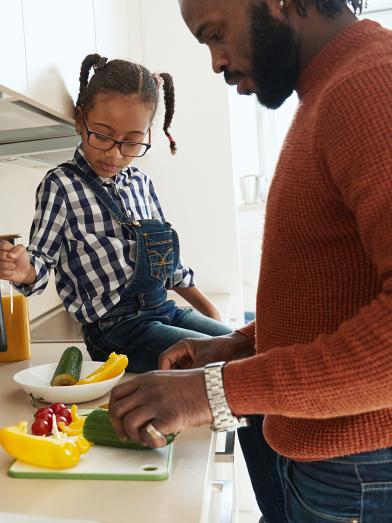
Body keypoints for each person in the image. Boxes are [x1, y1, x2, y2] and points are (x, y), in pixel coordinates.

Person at [108, 0, 392, 522]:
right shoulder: (330, 91)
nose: (216, 62)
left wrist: (212, 392)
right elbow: (337, 291)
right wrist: (242, 344)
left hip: (360, 470)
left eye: (216, 33)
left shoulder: (370, 85)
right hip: (328, 459)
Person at [0, 53, 232, 373]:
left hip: (164, 310)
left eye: (132, 142)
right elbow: (40, 262)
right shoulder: (62, 185)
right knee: (222, 363)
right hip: (116, 332)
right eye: (103, 135)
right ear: (81, 121)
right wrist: (23, 269)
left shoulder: (142, 183)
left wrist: (210, 313)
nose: (115, 153)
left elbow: (169, 264)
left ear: (148, 134)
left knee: (249, 344)